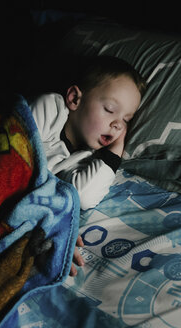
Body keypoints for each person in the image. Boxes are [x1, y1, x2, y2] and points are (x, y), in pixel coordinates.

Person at [29, 55, 146, 276]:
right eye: (110, 110)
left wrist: (116, 148)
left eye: (127, 120)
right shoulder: (50, 108)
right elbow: (15, 156)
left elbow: (84, 196)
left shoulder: (84, 159)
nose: (118, 124)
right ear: (74, 99)